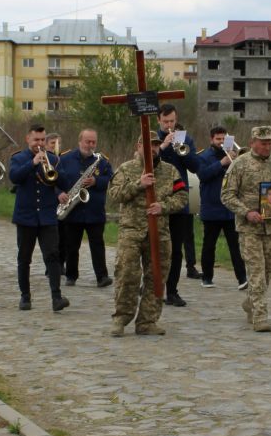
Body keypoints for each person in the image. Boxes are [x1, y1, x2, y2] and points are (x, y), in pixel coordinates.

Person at [107, 134, 184, 336]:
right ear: (138, 146)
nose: (153, 149)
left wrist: (164, 206)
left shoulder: (169, 170)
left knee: (157, 277)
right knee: (127, 274)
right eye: (148, 145)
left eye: (156, 145)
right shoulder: (126, 168)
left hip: (159, 232)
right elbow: (114, 195)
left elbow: (182, 196)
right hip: (131, 231)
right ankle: (120, 318)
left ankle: (147, 321)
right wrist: (138, 185)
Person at [220, 124, 271, 333]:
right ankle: (260, 316)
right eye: (263, 142)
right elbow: (226, 195)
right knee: (256, 272)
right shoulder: (239, 165)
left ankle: (251, 302)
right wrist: (246, 211)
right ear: (252, 143)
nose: (268, 146)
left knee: (267, 271)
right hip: (249, 227)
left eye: (270, 142)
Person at [8, 125, 68, 312]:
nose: (40, 143)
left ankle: (56, 297)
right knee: (24, 258)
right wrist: (33, 163)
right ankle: (25, 297)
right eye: (36, 140)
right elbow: (14, 177)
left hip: (47, 216)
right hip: (26, 216)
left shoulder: (54, 159)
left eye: (42, 140)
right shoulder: (18, 158)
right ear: (28, 139)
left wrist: (55, 171)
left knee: (52, 255)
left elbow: (65, 182)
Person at [56, 128, 114, 287]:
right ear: (80, 141)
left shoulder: (102, 161)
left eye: (93, 142)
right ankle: (71, 275)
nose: (91, 145)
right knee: (71, 246)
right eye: (88, 141)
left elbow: (111, 179)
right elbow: (54, 180)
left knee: (97, 245)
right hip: (72, 210)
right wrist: (59, 193)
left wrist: (96, 181)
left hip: (94, 210)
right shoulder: (65, 158)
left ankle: (102, 277)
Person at [158, 104, 201, 305]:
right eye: (165, 122)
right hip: (157, 200)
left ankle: (172, 291)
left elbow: (196, 166)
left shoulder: (185, 138)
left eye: (172, 121)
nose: (169, 125)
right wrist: (164, 146)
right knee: (154, 248)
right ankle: (150, 284)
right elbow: (146, 161)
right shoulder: (151, 138)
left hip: (178, 200)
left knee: (176, 249)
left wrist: (183, 152)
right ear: (159, 121)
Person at [195, 128, 248, 289]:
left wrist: (234, 160)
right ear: (212, 140)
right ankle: (207, 277)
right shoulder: (204, 157)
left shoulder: (235, 156)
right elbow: (202, 175)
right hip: (211, 207)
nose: (221, 142)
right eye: (218, 139)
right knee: (209, 245)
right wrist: (221, 163)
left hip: (230, 209)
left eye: (224, 139)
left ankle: (242, 279)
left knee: (235, 246)